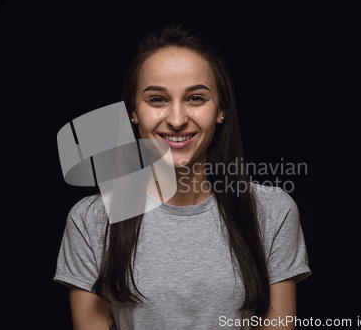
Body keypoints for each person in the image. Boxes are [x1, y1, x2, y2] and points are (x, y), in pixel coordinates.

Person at [54, 23, 311, 330]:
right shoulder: (91, 220)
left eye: (196, 99)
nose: (177, 120)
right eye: (157, 100)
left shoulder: (273, 211)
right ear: (133, 111)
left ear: (221, 109)